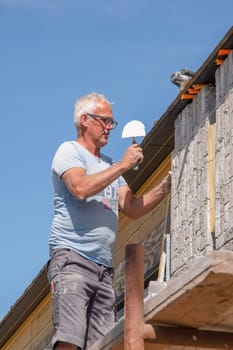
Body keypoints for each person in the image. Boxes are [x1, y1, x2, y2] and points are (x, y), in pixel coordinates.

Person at [47, 92, 171, 350]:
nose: (110, 128)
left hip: (103, 270)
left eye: (112, 122)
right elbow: (80, 188)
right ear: (84, 120)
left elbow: (133, 208)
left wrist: (165, 187)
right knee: (69, 338)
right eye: (104, 121)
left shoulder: (109, 165)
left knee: (103, 344)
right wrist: (122, 166)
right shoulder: (69, 151)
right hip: (73, 260)